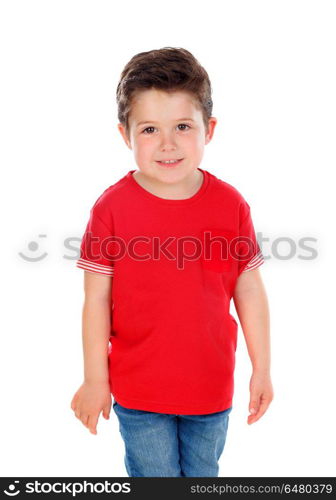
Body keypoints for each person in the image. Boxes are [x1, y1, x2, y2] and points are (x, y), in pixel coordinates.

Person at [70, 47, 274, 477]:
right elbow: (96, 301)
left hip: (211, 387)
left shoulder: (230, 205)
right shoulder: (111, 209)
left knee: (203, 479)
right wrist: (94, 379)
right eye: (149, 129)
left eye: (183, 126)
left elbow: (249, 289)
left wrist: (263, 369)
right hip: (138, 390)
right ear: (126, 135)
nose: (167, 144)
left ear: (208, 129)